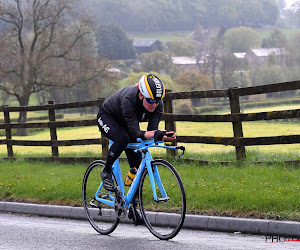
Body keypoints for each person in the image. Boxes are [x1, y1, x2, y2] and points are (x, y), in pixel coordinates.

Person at [97, 73, 176, 192]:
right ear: (140, 95)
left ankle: (132, 206)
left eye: (157, 101)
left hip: (127, 122)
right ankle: (106, 170)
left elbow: (151, 132)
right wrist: (154, 134)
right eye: (150, 100)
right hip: (107, 117)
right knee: (122, 139)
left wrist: (162, 135)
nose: (154, 104)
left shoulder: (157, 105)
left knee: (138, 166)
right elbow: (135, 133)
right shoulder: (129, 99)